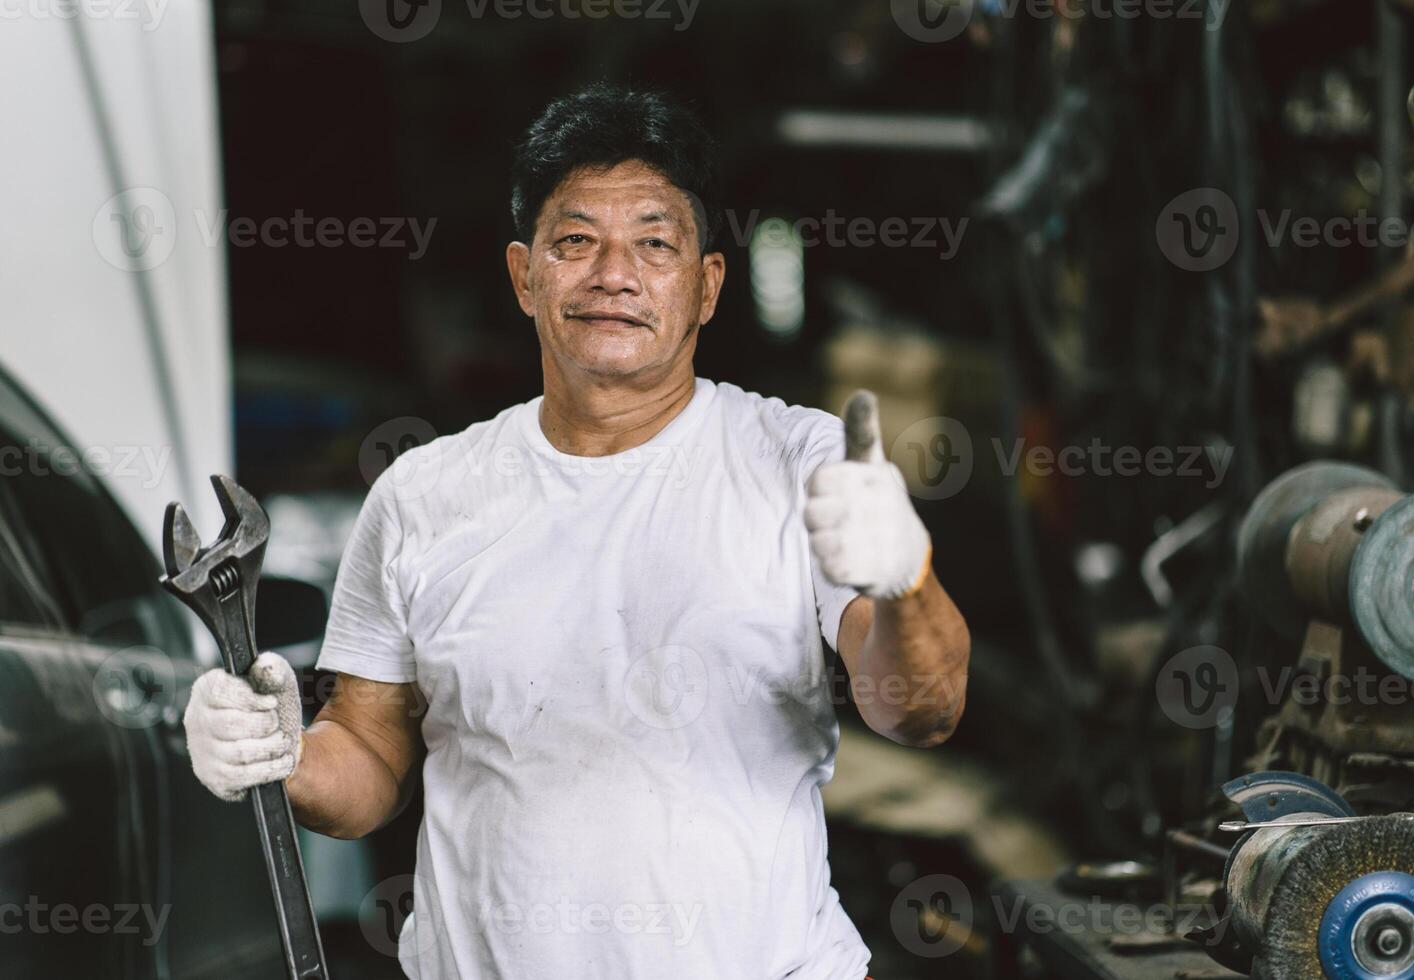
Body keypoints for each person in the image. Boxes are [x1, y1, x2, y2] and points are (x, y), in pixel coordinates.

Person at [183, 83, 971, 980]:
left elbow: (920, 711)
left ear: (707, 286)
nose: (613, 275)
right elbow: (367, 760)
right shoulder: (422, 496)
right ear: (525, 276)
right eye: (575, 242)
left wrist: (902, 583)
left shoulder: (801, 462)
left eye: (655, 243)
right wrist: (281, 756)